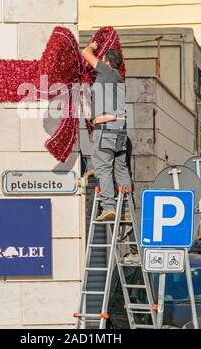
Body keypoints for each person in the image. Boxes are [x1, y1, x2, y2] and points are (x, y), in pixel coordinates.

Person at [82, 41, 139, 264]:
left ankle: (108, 207)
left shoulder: (107, 71)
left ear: (106, 62)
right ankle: (125, 209)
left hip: (105, 132)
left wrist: (93, 45)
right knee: (120, 168)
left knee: (103, 168)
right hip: (120, 133)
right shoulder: (119, 80)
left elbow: (85, 53)